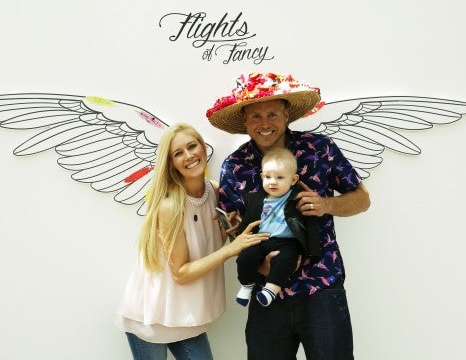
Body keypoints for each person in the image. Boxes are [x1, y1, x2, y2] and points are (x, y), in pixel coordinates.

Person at [206, 72, 370, 360]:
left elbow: (362, 199)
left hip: (321, 285)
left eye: (272, 114)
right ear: (245, 121)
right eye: (256, 116)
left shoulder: (320, 149)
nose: (264, 123)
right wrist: (258, 262)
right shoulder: (234, 165)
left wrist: (326, 205)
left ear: (286, 115)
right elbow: (234, 229)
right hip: (266, 293)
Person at [116, 123, 270, 360]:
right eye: (178, 153)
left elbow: (204, 246)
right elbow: (181, 272)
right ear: (171, 164)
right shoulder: (170, 206)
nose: (188, 156)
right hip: (152, 315)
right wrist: (232, 249)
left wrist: (227, 230)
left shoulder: (215, 192)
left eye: (192, 146)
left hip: (186, 313)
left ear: (203, 148)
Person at [236, 147, 321, 308]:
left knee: (286, 260)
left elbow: (311, 222)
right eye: (268, 176)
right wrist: (240, 241)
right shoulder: (253, 200)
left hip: (287, 243)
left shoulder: (298, 197)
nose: (273, 182)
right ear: (262, 176)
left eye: (280, 177)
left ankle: (271, 290)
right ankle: (246, 285)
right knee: (245, 257)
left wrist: (314, 250)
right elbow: (247, 222)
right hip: (261, 240)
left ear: (293, 180)